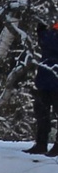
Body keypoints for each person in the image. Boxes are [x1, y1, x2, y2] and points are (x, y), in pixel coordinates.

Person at [25, 21, 58, 155]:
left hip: (52, 80)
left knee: (47, 112)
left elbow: (51, 44)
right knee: (41, 113)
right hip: (45, 80)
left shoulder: (50, 35)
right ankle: (41, 143)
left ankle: (48, 145)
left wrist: (43, 34)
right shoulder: (51, 33)